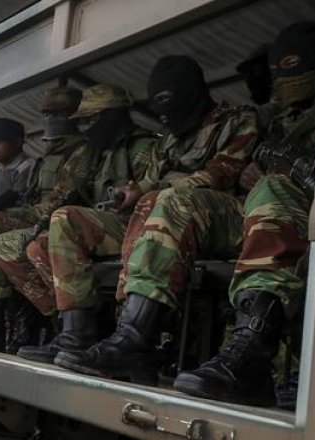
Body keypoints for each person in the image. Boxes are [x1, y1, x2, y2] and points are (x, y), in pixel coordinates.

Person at [54, 54, 260, 387]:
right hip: (164, 216)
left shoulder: (238, 121)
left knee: (166, 200)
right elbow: (150, 181)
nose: (163, 112)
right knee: (66, 218)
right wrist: (132, 192)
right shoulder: (169, 140)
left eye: (167, 100)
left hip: (226, 218)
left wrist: (156, 188)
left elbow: (221, 175)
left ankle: (136, 339)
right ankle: (85, 336)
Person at [173, 22, 315, 406]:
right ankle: (135, 335)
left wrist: (287, 172)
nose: (281, 77)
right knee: (178, 202)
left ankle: (252, 350)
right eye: (276, 68)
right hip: (267, 218)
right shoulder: (268, 120)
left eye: (292, 64)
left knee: (272, 187)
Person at [9, 84, 159, 362]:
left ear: (113, 116)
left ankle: (79, 335)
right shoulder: (103, 155)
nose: (87, 128)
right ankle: (68, 326)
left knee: (64, 219)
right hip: (109, 227)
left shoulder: (143, 147)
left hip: (140, 229)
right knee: (36, 247)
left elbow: (154, 194)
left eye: (92, 120)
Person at [0, 88, 90, 352]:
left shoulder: (82, 150)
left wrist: (4, 215)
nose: (50, 119)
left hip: (63, 221)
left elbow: (66, 199)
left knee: (0, 239)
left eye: (58, 114)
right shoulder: (49, 156)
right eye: (46, 114)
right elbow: (29, 199)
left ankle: (21, 322)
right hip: (38, 215)